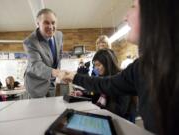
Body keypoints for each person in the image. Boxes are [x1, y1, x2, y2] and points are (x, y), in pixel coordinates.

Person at [60, 0, 179, 134]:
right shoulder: (141, 67)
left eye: (134, 7)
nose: (125, 17)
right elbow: (105, 85)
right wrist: (75, 78)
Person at [72, 49, 130, 117]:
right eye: (95, 65)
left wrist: (98, 111)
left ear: (108, 64)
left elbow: (120, 111)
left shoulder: (121, 81)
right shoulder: (103, 78)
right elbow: (95, 95)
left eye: (98, 65)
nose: (96, 68)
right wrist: (83, 94)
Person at [23, 8, 63, 98]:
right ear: (38, 24)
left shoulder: (59, 35)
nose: (50, 26)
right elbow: (36, 65)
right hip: (36, 84)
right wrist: (57, 73)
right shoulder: (30, 41)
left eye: (53, 23)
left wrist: (57, 72)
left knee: (51, 110)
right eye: (46, 23)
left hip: (51, 82)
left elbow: (59, 55)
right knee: (38, 111)